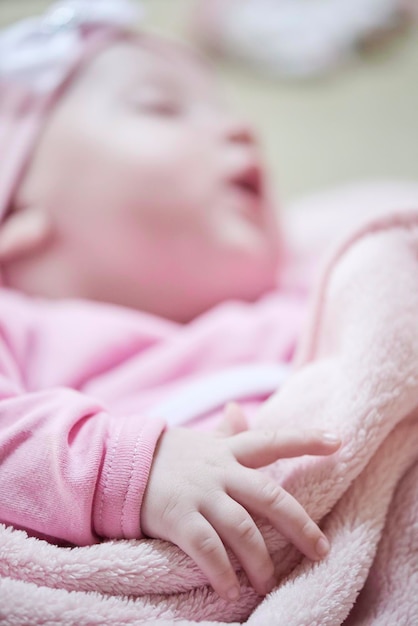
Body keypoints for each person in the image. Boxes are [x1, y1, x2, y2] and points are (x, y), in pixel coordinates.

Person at [0, 0, 341, 603]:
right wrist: (130, 472)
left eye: (227, 108)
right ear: (17, 217)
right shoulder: (18, 326)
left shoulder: (318, 292)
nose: (242, 129)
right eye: (161, 107)